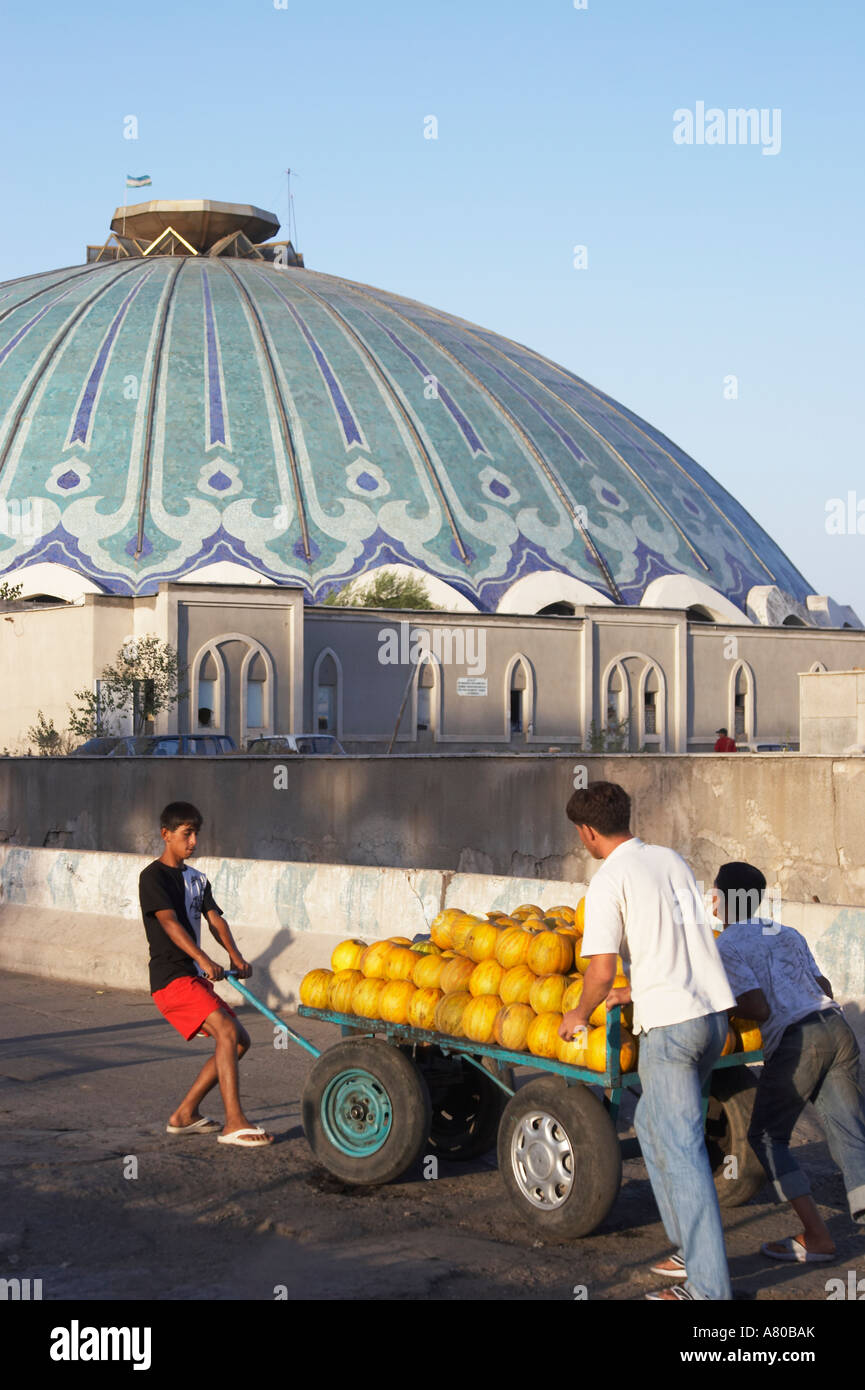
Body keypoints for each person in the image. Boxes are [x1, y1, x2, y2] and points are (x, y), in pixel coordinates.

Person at [560, 781, 736, 1301]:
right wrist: (633, 990)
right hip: (712, 1019)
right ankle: (688, 1246)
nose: (581, 841)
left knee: (682, 1152)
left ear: (589, 832)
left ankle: (708, 1290)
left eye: (579, 833)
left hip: (672, 1030)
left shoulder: (607, 880)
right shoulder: (670, 860)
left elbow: (599, 968)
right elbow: (681, 942)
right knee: (651, 1126)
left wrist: (578, 1012)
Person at [713, 861, 865, 1260]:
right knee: (851, 1132)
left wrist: (720, 1010)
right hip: (836, 1026)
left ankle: (817, 1237)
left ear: (723, 901)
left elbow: (758, 1008)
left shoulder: (726, 944)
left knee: (766, 1136)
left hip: (800, 1040)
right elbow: (823, 987)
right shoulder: (786, 932)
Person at [139, 800, 273, 1147]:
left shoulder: (197, 879)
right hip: (171, 978)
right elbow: (168, 923)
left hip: (193, 977)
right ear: (165, 834)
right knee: (226, 1031)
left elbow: (214, 918)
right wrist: (203, 958)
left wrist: (235, 956)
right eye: (187, 834)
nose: (194, 841)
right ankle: (234, 1123)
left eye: (196, 833)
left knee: (239, 1040)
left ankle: (185, 1115)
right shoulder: (152, 877)